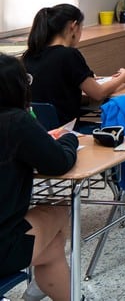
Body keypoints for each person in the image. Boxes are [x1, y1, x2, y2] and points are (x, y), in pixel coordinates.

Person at [0, 54, 78, 301]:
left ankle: (49, 289)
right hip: (2, 247)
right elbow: (58, 163)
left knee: (52, 248)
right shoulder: (14, 120)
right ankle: (46, 287)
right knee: (58, 211)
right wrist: (69, 138)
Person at [22, 4, 125, 127]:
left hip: (38, 128)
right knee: (119, 115)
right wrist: (123, 76)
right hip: (66, 129)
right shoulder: (68, 54)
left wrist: (83, 80)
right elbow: (98, 93)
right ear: (74, 26)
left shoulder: (29, 55)